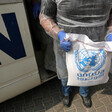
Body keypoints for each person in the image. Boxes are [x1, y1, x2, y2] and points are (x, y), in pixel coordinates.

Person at [39, 0, 112, 108]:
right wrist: (59, 34)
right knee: (65, 74)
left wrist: (110, 31)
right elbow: (45, 16)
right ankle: (66, 93)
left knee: (88, 72)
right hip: (67, 45)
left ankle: (84, 93)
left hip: (95, 45)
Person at [28, 0, 56, 78]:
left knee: (48, 40)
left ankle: (49, 64)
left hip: (46, 8)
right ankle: (49, 66)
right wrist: (35, 3)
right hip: (40, 9)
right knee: (48, 40)